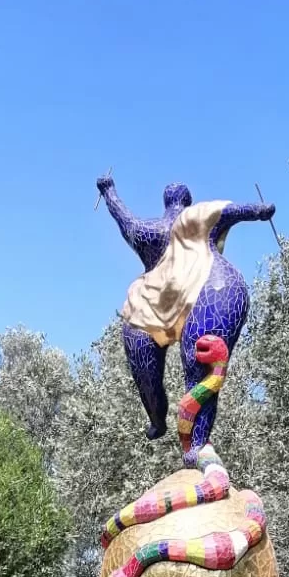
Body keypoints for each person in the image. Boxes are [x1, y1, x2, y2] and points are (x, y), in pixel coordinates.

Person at [96, 176, 275, 450]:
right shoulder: (197, 215)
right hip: (216, 288)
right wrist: (260, 211)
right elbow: (231, 211)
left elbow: (126, 222)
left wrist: (109, 191)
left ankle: (162, 424)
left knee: (155, 371)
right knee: (199, 371)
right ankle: (195, 444)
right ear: (186, 200)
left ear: (166, 202)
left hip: (175, 300)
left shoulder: (151, 230)